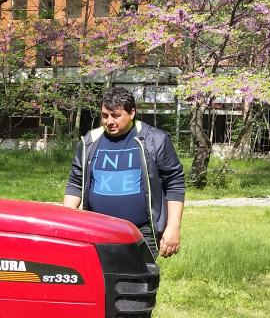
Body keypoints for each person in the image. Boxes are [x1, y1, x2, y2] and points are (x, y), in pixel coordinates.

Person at [63, 87, 185, 259]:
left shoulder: (155, 140)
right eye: (105, 116)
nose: (109, 121)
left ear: (132, 113)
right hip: (96, 233)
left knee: (139, 285)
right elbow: (76, 182)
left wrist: (173, 227)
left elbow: (174, 183)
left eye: (116, 115)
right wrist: (65, 223)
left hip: (142, 232)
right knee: (100, 284)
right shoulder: (89, 142)